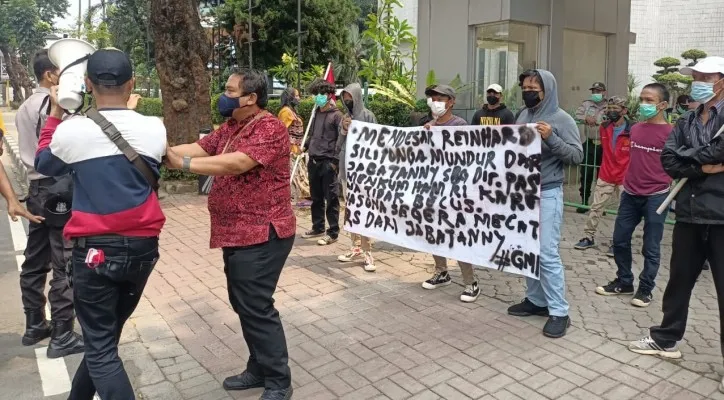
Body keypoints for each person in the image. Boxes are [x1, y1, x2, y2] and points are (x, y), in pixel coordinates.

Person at [35, 48, 166, 398]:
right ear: (132, 83)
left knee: (101, 348)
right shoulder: (155, 128)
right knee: (103, 341)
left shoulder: (72, 131)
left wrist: (56, 113)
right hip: (142, 250)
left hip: (95, 252)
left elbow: (44, 164)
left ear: (88, 84)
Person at [165, 68, 295, 400]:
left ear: (251, 98)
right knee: (243, 303)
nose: (223, 95)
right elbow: (199, 147)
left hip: (263, 232)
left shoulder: (270, 127)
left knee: (256, 305)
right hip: (236, 233)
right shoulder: (232, 127)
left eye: (230, 90)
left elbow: (235, 164)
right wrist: (156, 149)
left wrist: (181, 165)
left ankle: (279, 380)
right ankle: (258, 368)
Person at [628, 58, 724, 378]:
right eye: (694, 76)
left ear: (721, 81)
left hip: (721, 217)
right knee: (679, 282)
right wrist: (702, 166)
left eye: (704, 76)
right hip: (688, 214)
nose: (697, 81)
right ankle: (666, 339)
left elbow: (717, 153)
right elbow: (669, 161)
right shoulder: (685, 121)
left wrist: (693, 159)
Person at [14, 49, 85, 357]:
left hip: (34, 189)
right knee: (64, 260)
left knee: (35, 257)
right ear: (49, 75)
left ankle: (33, 324)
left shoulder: (24, 105)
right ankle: (62, 333)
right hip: (56, 187)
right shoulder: (52, 105)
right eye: (63, 70)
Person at [507, 69, 583, 338]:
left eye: (533, 87)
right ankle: (536, 301)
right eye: (524, 86)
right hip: (523, 194)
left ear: (547, 90)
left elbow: (576, 156)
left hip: (548, 193)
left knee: (547, 254)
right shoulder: (523, 115)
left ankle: (559, 311)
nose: (527, 91)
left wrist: (551, 137)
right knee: (527, 249)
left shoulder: (562, 119)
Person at [595, 83, 672, 308]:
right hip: (630, 193)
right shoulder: (636, 129)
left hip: (657, 195)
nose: (644, 104)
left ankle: (645, 288)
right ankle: (624, 281)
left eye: (649, 100)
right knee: (619, 239)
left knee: (651, 246)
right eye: (642, 99)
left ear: (663, 105)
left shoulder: (671, 133)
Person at [418, 84, 481, 303]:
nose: (436, 102)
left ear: (452, 101)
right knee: (434, 232)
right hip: (433, 190)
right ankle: (441, 271)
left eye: (441, 98)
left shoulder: (460, 125)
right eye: (433, 98)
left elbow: (468, 157)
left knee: (459, 234)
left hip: (455, 191)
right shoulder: (428, 126)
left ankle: (470, 282)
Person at [575, 96, 632, 257]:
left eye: (616, 108)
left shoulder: (632, 130)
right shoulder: (604, 127)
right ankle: (588, 236)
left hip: (624, 177)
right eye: (610, 108)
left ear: (624, 111)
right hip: (606, 174)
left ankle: (619, 243)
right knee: (596, 208)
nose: (612, 111)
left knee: (624, 212)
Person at [337, 83, 377, 272]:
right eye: (344, 98)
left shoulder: (368, 116)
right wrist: (344, 130)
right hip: (347, 172)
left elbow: (378, 142)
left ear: (357, 97)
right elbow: (338, 145)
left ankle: (368, 251)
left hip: (365, 173)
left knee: (365, 210)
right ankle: (356, 247)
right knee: (351, 210)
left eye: (350, 97)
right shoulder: (344, 117)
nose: (347, 101)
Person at [301, 78, 344, 246]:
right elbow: (312, 134)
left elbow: (341, 140)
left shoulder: (337, 116)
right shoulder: (316, 113)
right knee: (316, 197)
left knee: (331, 198)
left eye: (319, 94)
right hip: (313, 160)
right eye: (315, 94)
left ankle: (332, 232)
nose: (316, 97)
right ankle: (317, 226)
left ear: (328, 95)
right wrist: (304, 147)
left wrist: (335, 162)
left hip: (328, 162)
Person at [575, 82, 608, 212]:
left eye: (598, 91)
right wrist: (586, 117)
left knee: (602, 177)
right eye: (594, 91)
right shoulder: (586, 104)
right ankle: (584, 202)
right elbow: (577, 114)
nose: (596, 94)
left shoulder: (609, 106)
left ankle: (600, 206)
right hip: (589, 143)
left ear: (604, 92)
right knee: (586, 173)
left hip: (604, 145)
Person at [278, 87, 310, 204]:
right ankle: (295, 198)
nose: (298, 98)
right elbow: (282, 132)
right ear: (290, 97)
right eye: (296, 96)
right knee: (294, 175)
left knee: (298, 175)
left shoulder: (291, 111)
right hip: (290, 150)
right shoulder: (286, 112)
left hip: (296, 149)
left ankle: (298, 196)